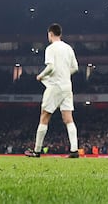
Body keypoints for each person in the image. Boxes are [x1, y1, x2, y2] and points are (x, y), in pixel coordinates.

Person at [25, 23, 80, 158]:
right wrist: (65, 74)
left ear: (50, 34)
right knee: (68, 118)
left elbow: (50, 67)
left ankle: (37, 151)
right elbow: (76, 68)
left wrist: (41, 76)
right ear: (60, 34)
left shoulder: (50, 48)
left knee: (44, 116)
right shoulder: (68, 48)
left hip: (55, 86)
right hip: (67, 86)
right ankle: (74, 150)